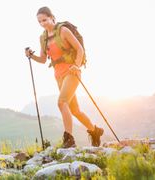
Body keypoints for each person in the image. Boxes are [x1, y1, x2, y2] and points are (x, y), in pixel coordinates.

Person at [25, 6, 104, 148]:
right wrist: (31, 56)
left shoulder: (63, 31)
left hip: (72, 72)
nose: (43, 23)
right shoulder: (42, 38)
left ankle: (69, 139)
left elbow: (80, 49)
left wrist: (77, 65)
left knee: (61, 102)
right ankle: (95, 131)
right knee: (75, 110)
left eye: (45, 20)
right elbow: (43, 60)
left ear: (51, 17)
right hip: (58, 75)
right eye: (40, 22)